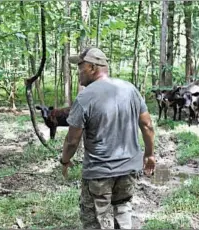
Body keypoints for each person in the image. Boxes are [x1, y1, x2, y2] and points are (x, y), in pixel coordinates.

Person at [59, 47, 156, 229]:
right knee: (123, 209)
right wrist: (149, 154)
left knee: (96, 219)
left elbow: (72, 140)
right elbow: (147, 125)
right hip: (128, 169)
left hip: (99, 172)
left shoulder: (85, 97)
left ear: (92, 68)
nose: (78, 73)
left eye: (81, 67)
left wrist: (65, 160)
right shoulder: (130, 89)